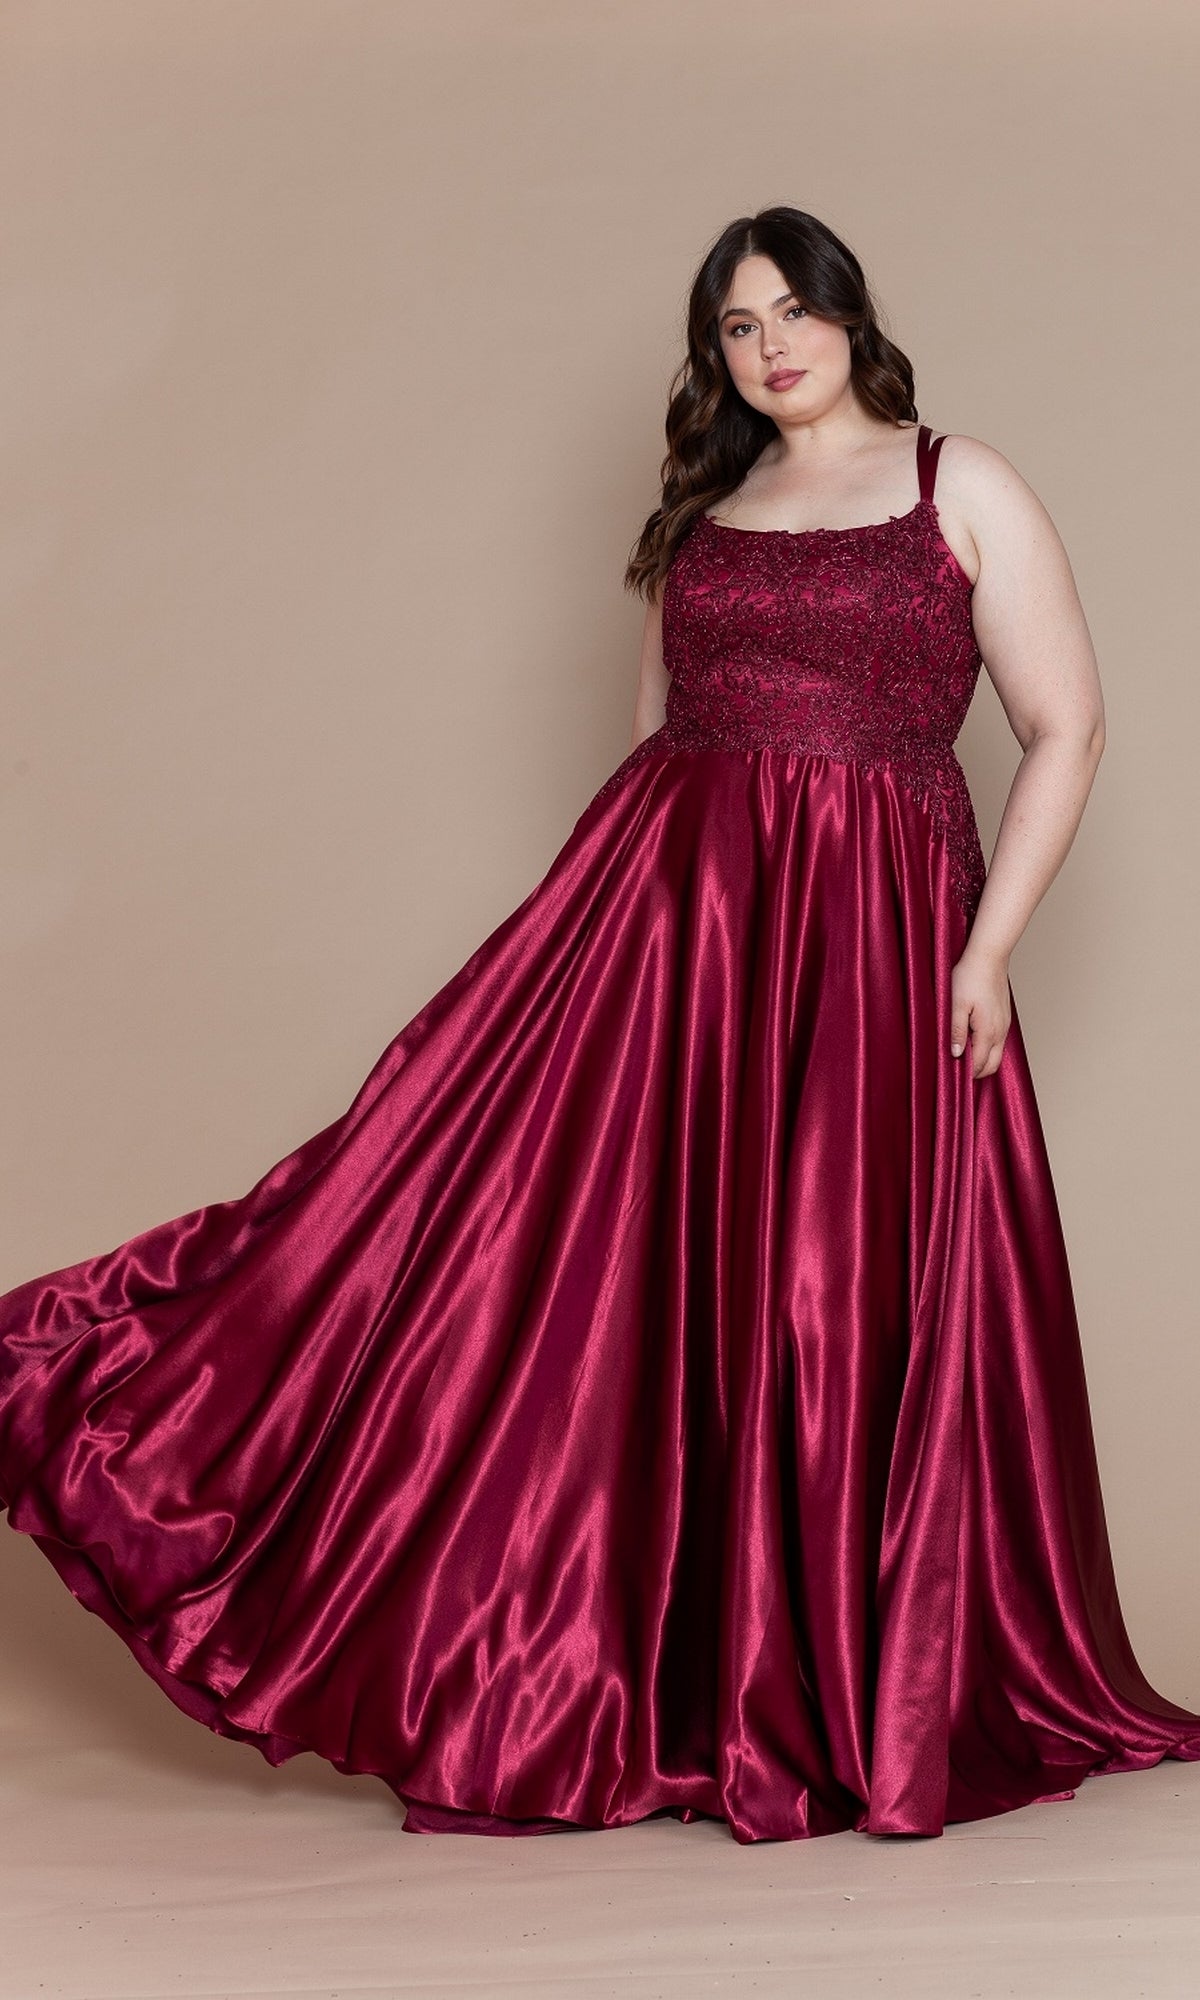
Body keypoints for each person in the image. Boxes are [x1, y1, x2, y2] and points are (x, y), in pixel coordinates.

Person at [1, 206, 1197, 1846]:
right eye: (736, 328)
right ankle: (641, 1664)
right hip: (677, 944)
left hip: (877, 943)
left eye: (794, 313)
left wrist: (986, 955)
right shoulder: (709, 513)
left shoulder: (957, 486)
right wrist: (594, 959)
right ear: (716, 357)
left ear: (854, 320)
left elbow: (1070, 728)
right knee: (560, 1269)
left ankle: (848, 1686)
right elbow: (654, 752)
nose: (771, 347)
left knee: (832, 1298)